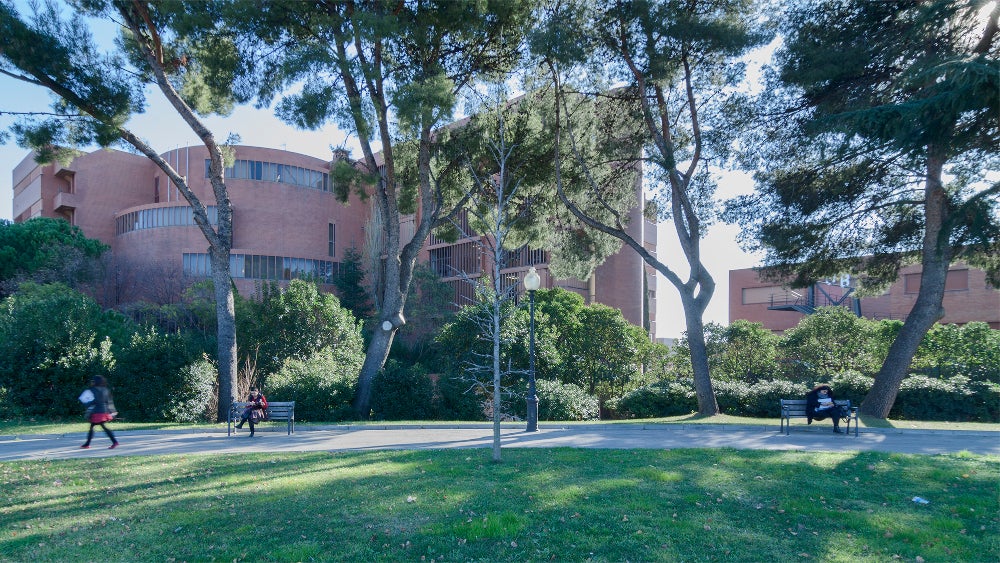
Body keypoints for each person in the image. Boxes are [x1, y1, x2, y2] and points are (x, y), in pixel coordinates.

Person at [79, 375, 119, 449]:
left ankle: (114, 442)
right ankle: (87, 444)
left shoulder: (93, 390)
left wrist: (87, 404)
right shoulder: (106, 389)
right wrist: (112, 411)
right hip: (104, 411)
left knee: (98, 427)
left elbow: (93, 401)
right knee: (95, 426)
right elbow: (109, 402)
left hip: (97, 412)